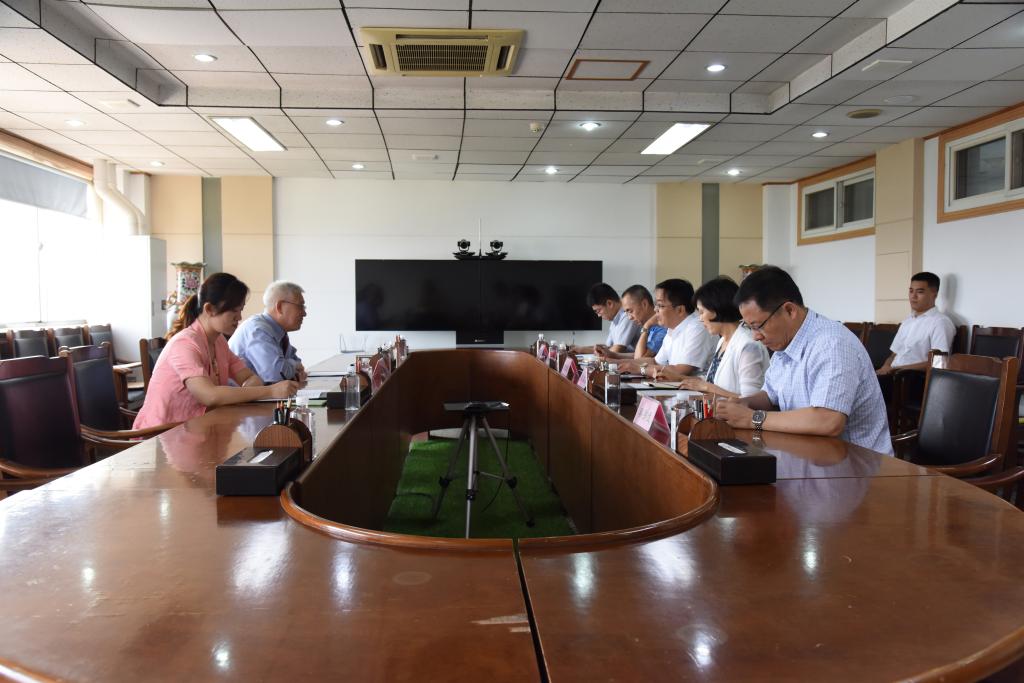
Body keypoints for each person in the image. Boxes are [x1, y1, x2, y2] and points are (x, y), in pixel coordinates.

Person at [714, 266, 893, 455]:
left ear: (789, 310)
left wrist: (752, 418)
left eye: (758, 326)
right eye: (749, 327)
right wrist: (743, 404)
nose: (755, 336)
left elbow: (828, 421)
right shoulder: (784, 343)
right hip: (808, 454)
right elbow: (770, 395)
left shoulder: (831, 344)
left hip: (856, 464)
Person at [133, 273, 298, 429]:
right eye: (234, 311)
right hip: (162, 435)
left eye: (240, 310)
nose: (239, 317)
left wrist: (242, 394)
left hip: (199, 427)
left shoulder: (218, 341)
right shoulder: (184, 344)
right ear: (209, 309)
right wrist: (270, 391)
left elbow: (250, 377)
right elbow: (209, 396)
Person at [678, 277, 769, 398]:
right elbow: (715, 381)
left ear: (716, 309)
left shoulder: (748, 345)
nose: (700, 319)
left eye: (702, 312)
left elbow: (750, 399)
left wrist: (707, 387)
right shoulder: (723, 340)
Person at [618, 278, 716, 379]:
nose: (655, 309)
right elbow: (655, 361)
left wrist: (640, 369)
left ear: (680, 310)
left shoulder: (697, 327)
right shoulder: (672, 328)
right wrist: (616, 363)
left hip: (696, 387)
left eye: (660, 305)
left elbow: (681, 370)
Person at [876, 272, 955, 376]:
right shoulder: (907, 321)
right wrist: (886, 366)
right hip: (892, 374)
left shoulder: (940, 322)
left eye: (920, 292)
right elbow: (894, 355)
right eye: (911, 291)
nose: (913, 296)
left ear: (934, 294)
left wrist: (897, 369)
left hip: (912, 378)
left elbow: (939, 362)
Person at [229, 280, 308, 382]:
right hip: (240, 392)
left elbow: (300, 367)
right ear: (280, 307)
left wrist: (289, 365)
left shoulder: (279, 332)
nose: (304, 313)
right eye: (300, 306)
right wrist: (293, 365)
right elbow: (276, 375)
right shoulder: (258, 330)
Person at [596, 284, 667, 360]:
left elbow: (639, 359)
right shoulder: (650, 326)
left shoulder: (661, 327)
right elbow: (637, 354)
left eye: (630, 311)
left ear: (644, 304)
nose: (629, 317)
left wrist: (646, 326)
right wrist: (612, 355)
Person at [572, 282, 640, 354]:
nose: (598, 315)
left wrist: (584, 350)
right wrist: (582, 348)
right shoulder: (615, 319)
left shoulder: (627, 316)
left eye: (598, 311)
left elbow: (617, 350)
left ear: (609, 303)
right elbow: (608, 347)